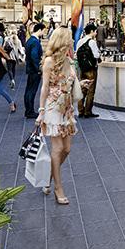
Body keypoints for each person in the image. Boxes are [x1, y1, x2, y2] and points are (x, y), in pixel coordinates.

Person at [37, 26, 78, 205]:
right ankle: (57, 188)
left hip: (67, 108)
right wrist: (41, 111)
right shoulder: (49, 61)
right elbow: (45, 87)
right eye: (70, 38)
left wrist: (80, 83)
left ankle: (48, 177)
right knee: (58, 148)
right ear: (63, 41)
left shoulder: (69, 59)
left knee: (67, 149)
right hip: (53, 107)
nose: (72, 41)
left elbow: (69, 82)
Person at [75, 23, 100, 118]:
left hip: (82, 68)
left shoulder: (80, 41)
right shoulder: (92, 42)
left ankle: (80, 110)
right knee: (90, 90)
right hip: (91, 69)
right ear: (92, 31)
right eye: (95, 31)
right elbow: (96, 55)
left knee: (82, 89)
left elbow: (77, 53)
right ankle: (88, 111)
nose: (96, 33)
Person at [23, 22, 45, 118]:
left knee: (28, 90)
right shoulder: (35, 42)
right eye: (43, 31)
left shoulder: (30, 40)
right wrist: (39, 68)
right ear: (39, 30)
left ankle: (28, 110)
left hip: (30, 68)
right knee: (32, 90)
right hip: (34, 70)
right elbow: (34, 56)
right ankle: (30, 111)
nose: (44, 33)